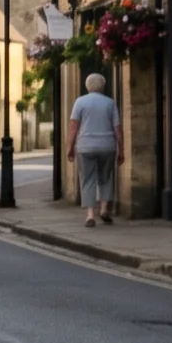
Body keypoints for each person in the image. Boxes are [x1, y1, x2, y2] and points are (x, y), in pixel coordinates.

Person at [68, 72, 120, 227]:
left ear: (87, 86)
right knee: (106, 177)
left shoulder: (80, 102)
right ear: (102, 86)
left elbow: (73, 128)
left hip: (85, 146)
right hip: (107, 146)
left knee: (87, 180)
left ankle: (90, 215)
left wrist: (70, 147)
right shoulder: (110, 103)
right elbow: (118, 129)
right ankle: (104, 209)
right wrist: (121, 149)